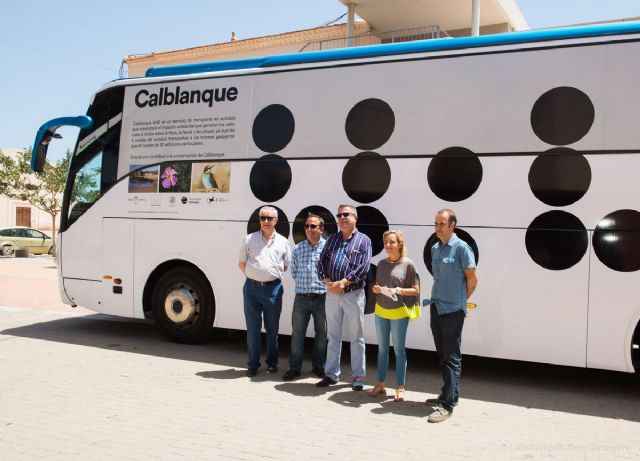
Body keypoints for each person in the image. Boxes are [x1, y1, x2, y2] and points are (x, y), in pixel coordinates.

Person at [426, 208, 478, 423]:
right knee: (442, 356)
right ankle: (451, 394)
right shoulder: (435, 248)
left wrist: (460, 302)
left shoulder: (461, 248)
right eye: (435, 223)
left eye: (441, 223)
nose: (437, 227)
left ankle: (446, 405)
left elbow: (472, 279)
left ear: (452, 225)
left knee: (451, 358)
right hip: (436, 308)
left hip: (452, 311)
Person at [316, 205, 372, 391]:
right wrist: (327, 281)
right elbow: (321, 262)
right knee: (333, 336)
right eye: (339, 215)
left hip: (353, 294)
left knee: (357, 337)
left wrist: (343, 283)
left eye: (346, 214)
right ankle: (331, 374)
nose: (342, 218)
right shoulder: (331, 240)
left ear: (355, 217)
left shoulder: (364, 241)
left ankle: (358, 376)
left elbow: (364, 268)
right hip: (332, 294)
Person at [238, 206, 291, 377]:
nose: (266, 221)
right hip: (251, 288)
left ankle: (272, 363)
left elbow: (285, 265)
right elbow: (241, 263)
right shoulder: (248, 239)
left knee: (272, 329)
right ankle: (253, 364)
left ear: (276, 221)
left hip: (273, 289)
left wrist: (269, 276)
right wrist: (255, 275)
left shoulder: (283, 241)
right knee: (253, 329)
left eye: (269, 218)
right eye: (262, 218)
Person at [367, 230, 420, 402]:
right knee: (382, 349)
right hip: (381, 310)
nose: (388, 245)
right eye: (386, 242)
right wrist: (376, 288)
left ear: (399, 244)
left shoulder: (409, 265)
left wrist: (398, 290)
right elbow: (378, 284)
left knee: (399, 350)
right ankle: (380, 384)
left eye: (391, 242)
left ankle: (400, 386)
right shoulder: (381, 263)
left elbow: (416, 290)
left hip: (399, 313)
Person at [282, 213, 328, 381]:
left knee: (322, 334)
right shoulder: (299, 247)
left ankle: (318, 366)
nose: (309, 229)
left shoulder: (328, 248)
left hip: (322, 298)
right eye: (307, 226)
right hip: (301, 297)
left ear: (321, 229)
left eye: (313, 226)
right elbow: (294, 271)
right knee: (297, 333)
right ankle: (295, 368)